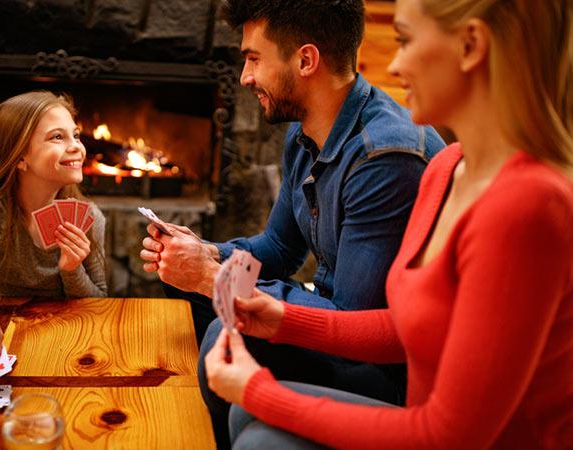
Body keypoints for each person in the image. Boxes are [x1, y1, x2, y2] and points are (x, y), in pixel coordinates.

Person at [205, 0, 573, 448]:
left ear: (471, 46)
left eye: (404, 40)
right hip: (420, 413)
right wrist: (283, 319)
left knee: (262, 438)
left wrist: (262, 391)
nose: (394, 65)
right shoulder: (449, 169)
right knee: (247, 411)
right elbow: (405, 327)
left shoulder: (527, 205)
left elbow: (449, 436)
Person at [140, 0, 445, 447]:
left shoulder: (386, 158)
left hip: (379, 369)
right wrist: (206, 254)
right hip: (330, 320)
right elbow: (279, 250)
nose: (245, 77)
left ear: (305, 59)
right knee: (190, 292)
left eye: (253, 59)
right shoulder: (305, 133)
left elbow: (353, 322)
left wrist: (214, 278)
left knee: (217, 330)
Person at [0, 91, 108, 357]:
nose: (77, 145)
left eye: (75, 135)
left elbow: (99, 303)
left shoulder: (91, 217)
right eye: (57, 137)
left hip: (63, 344)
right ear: (20, 157)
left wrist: (71, 269)